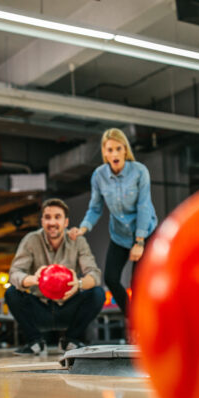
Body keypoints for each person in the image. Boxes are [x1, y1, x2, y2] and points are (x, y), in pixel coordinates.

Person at [68, 128, 157, 318]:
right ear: (104, 152)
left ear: (125, 150)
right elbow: (95, 208)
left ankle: (144, 323)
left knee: (138, 283)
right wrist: (82, 228)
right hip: (119, 235)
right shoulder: (99, 176)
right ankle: (134, 318)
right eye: (109, 150)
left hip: (144, 233)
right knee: (111, 278)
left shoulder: (139, 172)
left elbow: (144, 206)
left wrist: (139, 242)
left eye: (118, 148)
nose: (114, 154)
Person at [6, 198, 105, 355]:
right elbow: (14, 273)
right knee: (11, 293)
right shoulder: (31, 240)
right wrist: (33, 280)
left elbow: (94, 274)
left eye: (57, 217)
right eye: (47, 217)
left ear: (66, 222)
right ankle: (35, 342)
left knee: (98, 293)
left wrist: (78, 284)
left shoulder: (78, 241)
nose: (52, 222)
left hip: (68, 308)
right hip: (41, 309)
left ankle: (70, 340)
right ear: (42, 221)